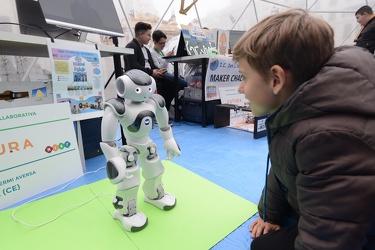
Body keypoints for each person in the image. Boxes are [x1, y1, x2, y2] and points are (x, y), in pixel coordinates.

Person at [233, 8, 375, 250]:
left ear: (276, 79)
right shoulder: (298, 109)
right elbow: (283, 166)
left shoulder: (328, 138)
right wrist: (270, 214)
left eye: (244, 77)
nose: (240, 89)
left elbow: (330, 239)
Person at [124, 22, 175, 110]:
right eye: (148, 35)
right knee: (158, 85)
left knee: (172, 83)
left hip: (149, 74)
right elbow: (134, 66)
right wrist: (151, 72)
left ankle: (164, 110)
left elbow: (152, 65)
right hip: (139, 77)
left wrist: (158, 70)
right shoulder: (131, 47)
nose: (149, 38)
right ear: (140, 34)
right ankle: (157, 110)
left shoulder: (146, 50)